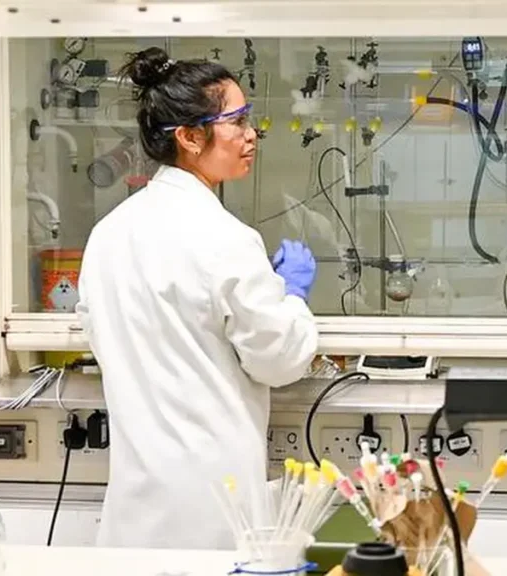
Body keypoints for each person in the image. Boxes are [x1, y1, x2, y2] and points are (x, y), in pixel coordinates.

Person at [77, 47, 319, 550]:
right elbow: (279, 360)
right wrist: (291, 297)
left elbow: (110, 335)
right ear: (189, 137)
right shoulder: (225, 238)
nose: (252, 134)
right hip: (213, 499)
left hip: (138, 494)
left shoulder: (108, 233)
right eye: (238, 120)